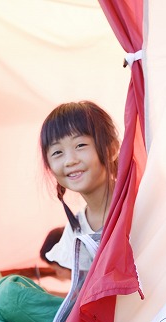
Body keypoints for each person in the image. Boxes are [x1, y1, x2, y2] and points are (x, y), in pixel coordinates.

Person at [39, 101, 120, 273]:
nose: (70, 161)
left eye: (80, 145)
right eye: (57, 152)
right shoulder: (76, 231)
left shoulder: (141, 202)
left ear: (111, 149)